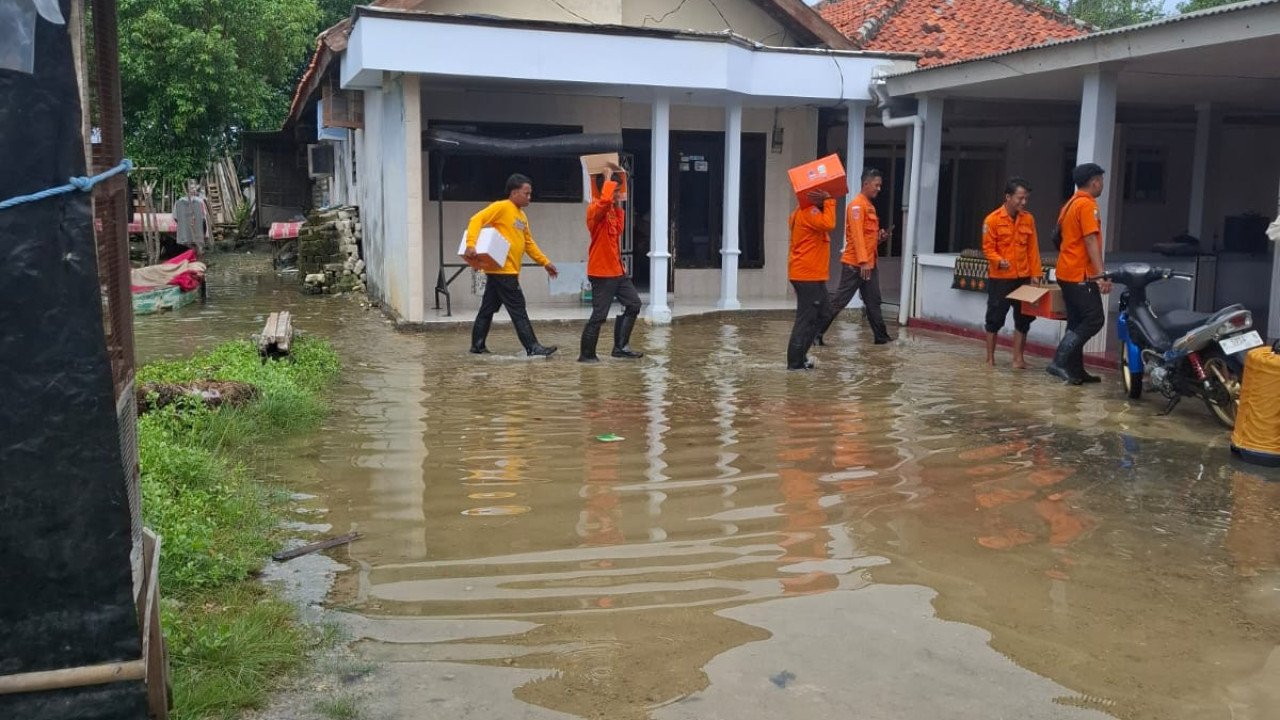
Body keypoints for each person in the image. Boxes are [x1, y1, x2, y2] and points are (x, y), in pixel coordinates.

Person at [465, 173, 560, 357]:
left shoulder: (522, 216)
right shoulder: (502, 207)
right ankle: (533, 347)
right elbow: (476, 219)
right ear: (514, 192)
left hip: (501, 271)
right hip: (504, 271)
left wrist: (545, 262)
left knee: (487, 310)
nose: (529, 197)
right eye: (527, 193)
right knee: (518, 310)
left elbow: (528, 243)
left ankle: (477, 346)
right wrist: (471, 243)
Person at [1046, 163, 1111, 385]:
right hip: (1079, 274)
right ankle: (1059, 361)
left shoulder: (1070, 204)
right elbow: (1090, 239)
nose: (1102, 184)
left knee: (1076, 321)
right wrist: (1100, 274)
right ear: (1094, 181)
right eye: (1101, 179)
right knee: (1094, 319)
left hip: (1066, 271)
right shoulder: (1086, 205)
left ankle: (1075, 370)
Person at [815, 167, 893, 346]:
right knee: (839, 301)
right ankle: (815, 333)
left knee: (874, 301)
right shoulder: (857, 205)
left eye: (880, 186)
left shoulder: (869, 206)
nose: (879, 189)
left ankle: (881, 338)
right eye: (876, 185)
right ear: (866, 183)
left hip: (869, 264)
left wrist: (879, 238)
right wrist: (864, 262)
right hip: (855, 264)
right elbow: (857, 235)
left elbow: (866, 238)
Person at [580, 164, 644, 362]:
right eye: (615, 191)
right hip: (601, 272)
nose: (618, 195)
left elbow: (619, 227)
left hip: (617, 271)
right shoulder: (594, 209)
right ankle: (587, 355)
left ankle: (620, 347)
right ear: (604, 189)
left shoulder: (613, 211)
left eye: (618, 191)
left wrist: (617, 200)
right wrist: (607, 179)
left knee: (634, 304)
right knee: (599, 315)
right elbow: (605, 201)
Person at [982, 177, 1043, 369]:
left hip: (1023, 277)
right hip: (1000, 278)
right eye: (1020, 198)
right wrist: (1000, 261)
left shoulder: (1028, 219)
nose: (1023, 202)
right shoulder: (992, 220)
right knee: (995, 317)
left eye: (1026, 199)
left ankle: (1018, 359)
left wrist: (1036, 273)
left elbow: (1033, 249)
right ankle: (990, 359)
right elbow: (988, 248)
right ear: (1008, 197)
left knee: (1024, 317)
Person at [786, 189, 837, 370]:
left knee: (825, 313)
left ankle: (801, 356)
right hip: (807, 275)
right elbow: (829, 223)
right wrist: (829, 199)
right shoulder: (809, 212)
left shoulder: (802, 213)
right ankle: (795, 365)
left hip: (810, 275)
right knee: (805, 319)